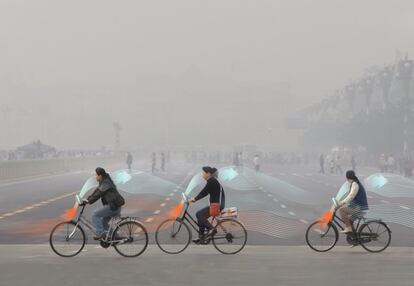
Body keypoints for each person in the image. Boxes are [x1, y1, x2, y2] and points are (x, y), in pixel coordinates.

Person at [82, 167, 125, 240]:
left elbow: (98, 194)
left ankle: (100, 233)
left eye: (96, 175)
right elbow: (96, 192)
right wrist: (87, 199)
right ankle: (114, 236)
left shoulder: (106, 183)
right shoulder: (104, 182)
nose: (95, 176)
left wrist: (89, 201)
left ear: (100, 176)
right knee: (103, 223)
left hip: (113, 207)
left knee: (95, 214)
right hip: (114, 206)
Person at [190, 166, 225, 244]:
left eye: (203, 173)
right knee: (200, 215)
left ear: (208, 174)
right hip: (215, 205)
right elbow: (205, 192)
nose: (202, 175)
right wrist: (195, 199)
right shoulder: (212, 181)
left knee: (199, 214)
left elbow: (204, 192)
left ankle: (212, 229)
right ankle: (201, 236)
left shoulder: (212, 181)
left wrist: (194, 199)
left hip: (217, 206)